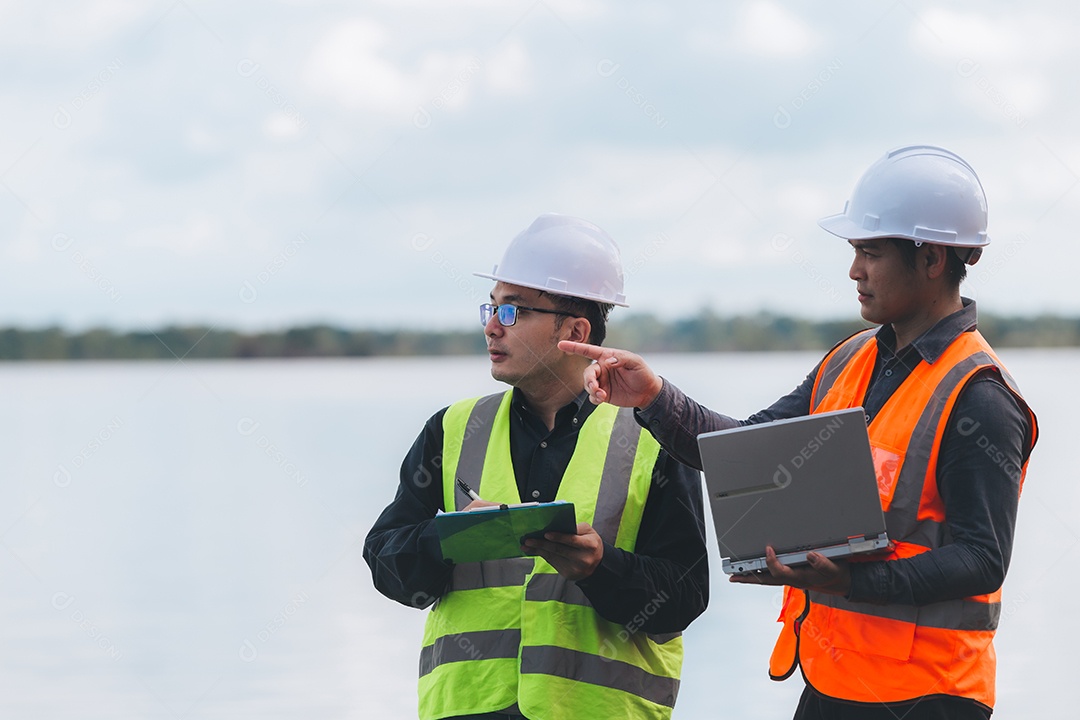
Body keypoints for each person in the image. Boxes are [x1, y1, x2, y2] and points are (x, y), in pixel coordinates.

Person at [560, 146, 1038, 720]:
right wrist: (655, 399)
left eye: (870, 252)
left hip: (929, 698)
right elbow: (744, 450)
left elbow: (983, 560)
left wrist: (853, 581)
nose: (854, 270)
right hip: (831, 684)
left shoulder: (979, 396)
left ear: (932, 259)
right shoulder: (849, 360)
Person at [364, 213, 709, 720]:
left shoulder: (654, 438)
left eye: (512, 312)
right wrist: (446, 541)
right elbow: (386, 567)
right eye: (492, 307)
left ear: (574, 330)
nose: (490, 326)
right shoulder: (452, 430)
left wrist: (599, 567)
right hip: (467, 709)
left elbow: (684, 597)